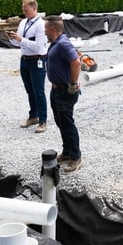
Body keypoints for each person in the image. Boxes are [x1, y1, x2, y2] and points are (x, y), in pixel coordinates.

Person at [44, 15, 83, 173]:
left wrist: (73, 84)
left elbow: (76, 62)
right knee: (61, 122)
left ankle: (76, 157)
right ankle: (67, 152)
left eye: (46, 28)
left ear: (53, 29)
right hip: (56, 89)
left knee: (67, 124)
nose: (44, 31)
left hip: (64, 90)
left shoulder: (63, 44)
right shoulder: (56, 43)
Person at [8, 0, 48, 133]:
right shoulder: (23, 22)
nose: (24, 12)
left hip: (37, 60)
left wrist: (21, 40)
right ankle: (33, 116)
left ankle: (43, 120)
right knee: (29, 90)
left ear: (34, 9)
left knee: (39, 91)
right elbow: (18, 44)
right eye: (23, 9)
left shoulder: (41, 25)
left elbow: (38, 47)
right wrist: (13, 38)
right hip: (25, 59)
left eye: (26, 9)